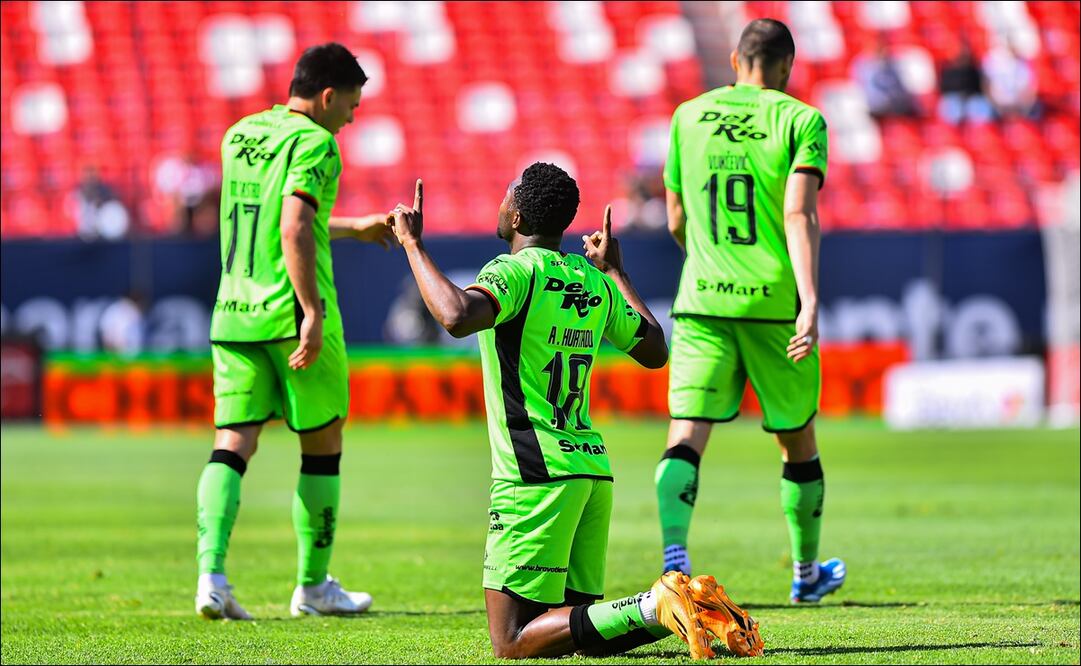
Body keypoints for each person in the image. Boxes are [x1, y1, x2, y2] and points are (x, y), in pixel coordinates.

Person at [387, 164, 763, 659]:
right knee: (577, 635)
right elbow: (654, 350)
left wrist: (413, 244)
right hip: (589, 471)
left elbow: (456, 315)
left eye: (504, 197)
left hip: (535, 475)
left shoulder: (513, 272)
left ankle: (658, 603)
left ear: (517, 214)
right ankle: (693, 605)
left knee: (512, 641)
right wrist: (616, 273)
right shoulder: (590, 279)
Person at [195, 43, 397, 620]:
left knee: (231, 444)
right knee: (323, 443)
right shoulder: (317, 143)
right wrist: (310, 309)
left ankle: (211, 578)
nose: (353, 118)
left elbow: (277, 216)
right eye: (352, 106)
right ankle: (311, 587)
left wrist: (352, 228)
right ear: (328, 96)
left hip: (233, 313)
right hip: (289, 315)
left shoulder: (240, 134)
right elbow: (292, 225)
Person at [655, 18, 846, 604]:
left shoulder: (688, 116)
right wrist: (810, 300)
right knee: (796, 439)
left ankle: (673, 560)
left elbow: (676, 219)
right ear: (786, 68)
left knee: (686, 435)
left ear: (736, 60)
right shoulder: (801, 120)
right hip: (772, 301)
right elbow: (798, 213)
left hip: (701, 300)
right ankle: (806, 573)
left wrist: (711, 264)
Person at [851, 36, 918, 118]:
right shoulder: (862, 65)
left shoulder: (893, 63)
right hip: (874, 108)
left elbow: (901, 86)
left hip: (895, 105)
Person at [938, 44, 995, 125]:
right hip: (955, 97)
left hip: (971, 97)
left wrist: (967, 95)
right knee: (952, 105)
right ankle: (952, 131)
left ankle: (980, 131)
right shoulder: (948, 70)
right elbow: (944, 89)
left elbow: (978, 88)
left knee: (978, 104)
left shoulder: (974, 70)